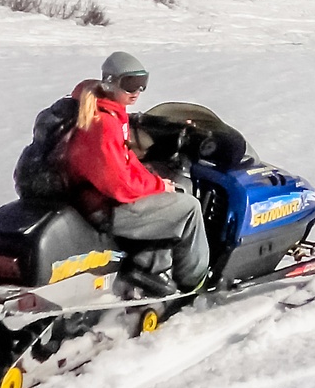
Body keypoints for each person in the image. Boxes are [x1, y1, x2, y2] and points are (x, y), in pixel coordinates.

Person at [61, 50, 210, 295]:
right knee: (189, 208)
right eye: (130, 84)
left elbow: (124, 162)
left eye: (142, 83)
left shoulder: (98, 107)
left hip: (88, 195)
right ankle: (193, 283)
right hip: (107, 207)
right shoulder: (105, 123)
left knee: (164, 189)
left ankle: (148, 264)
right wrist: (160, 187)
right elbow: (120, 186)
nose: (137, 92)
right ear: (109, 81)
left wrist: (155, 181)